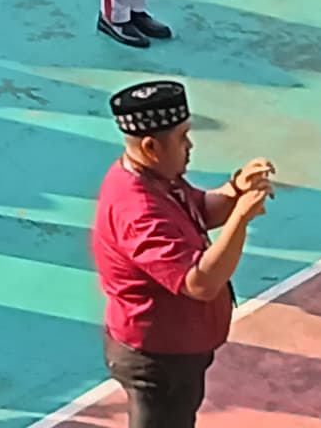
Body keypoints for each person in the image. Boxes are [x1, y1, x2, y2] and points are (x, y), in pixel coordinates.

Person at [92, 79, 276, 427]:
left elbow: (198, 210)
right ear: (151, 147)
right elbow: (200, 282)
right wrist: (241, 218)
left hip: (177, 347)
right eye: (182, 137)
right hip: (159, 357)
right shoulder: (138, 212)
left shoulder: (156, 176)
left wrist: (234, 190)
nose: (190, 145)